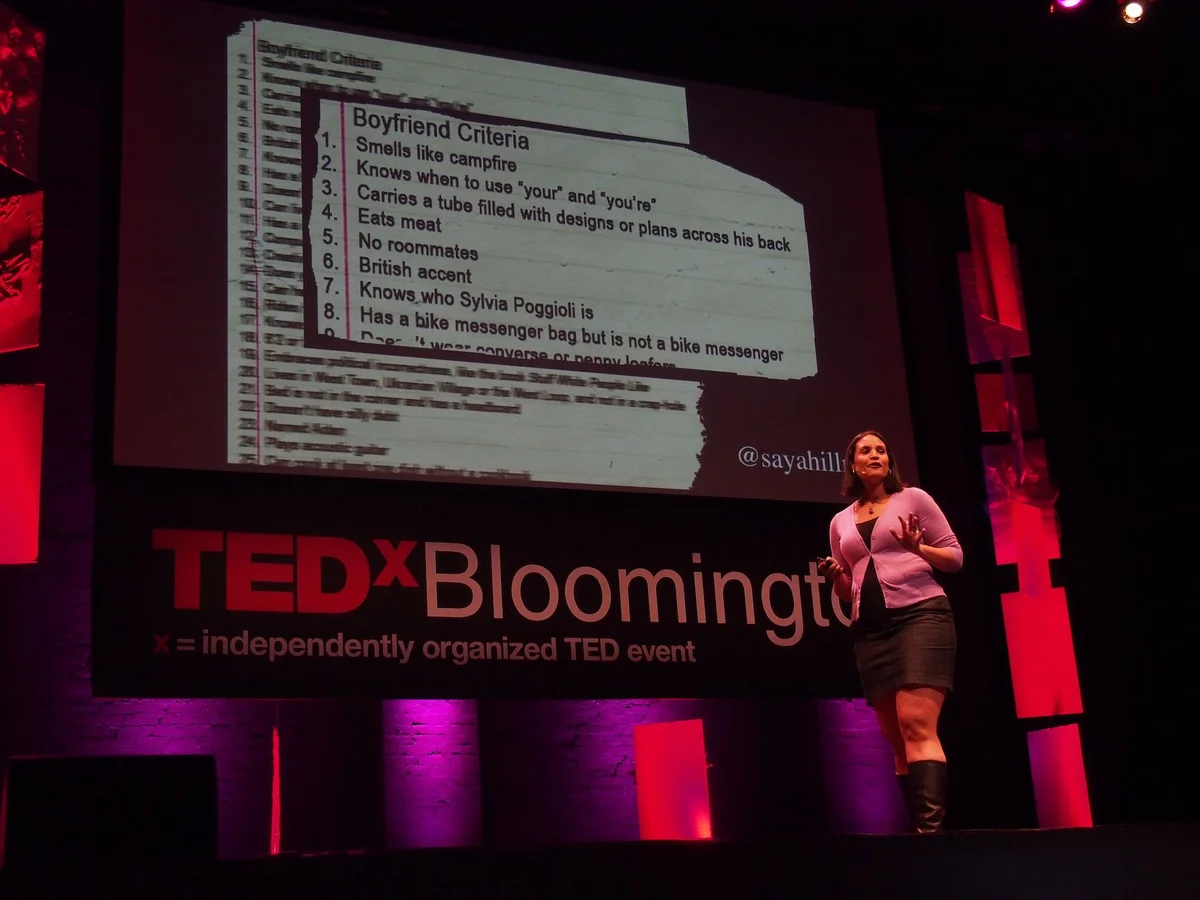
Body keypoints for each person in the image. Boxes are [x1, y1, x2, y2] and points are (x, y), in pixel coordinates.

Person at [817, 430, 963, 833]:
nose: (875, 454)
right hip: (871, 630)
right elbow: (849, 592)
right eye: (866, 450)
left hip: (921, 615)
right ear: (853, 464)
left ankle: (931, 836)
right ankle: (918, 832)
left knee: (916, 722)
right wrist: (835, 578)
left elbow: (954, 557)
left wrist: (919, 549)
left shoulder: (913, 499)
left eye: (881, 449)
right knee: (897, 740)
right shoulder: (840, 521)